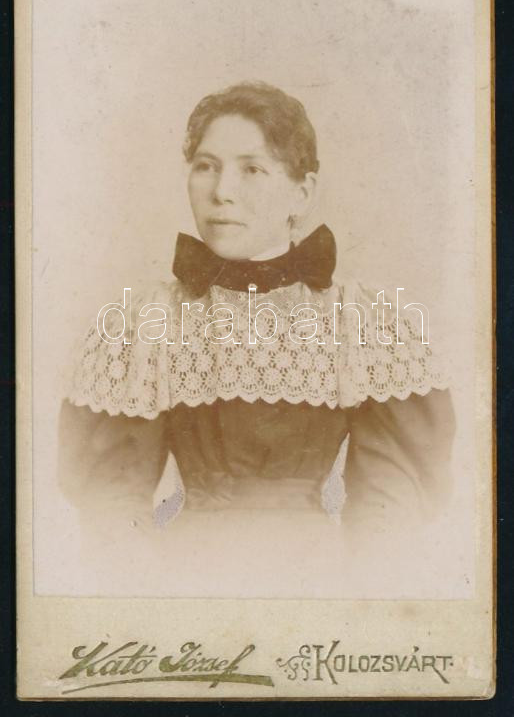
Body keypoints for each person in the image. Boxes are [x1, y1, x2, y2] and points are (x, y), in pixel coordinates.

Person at [59, 82, 455, 581]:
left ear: (301, 193)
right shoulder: (143, 322)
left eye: (251, 169)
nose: (222, 192)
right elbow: (111, 506)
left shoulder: (363, 320)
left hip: (322, 583)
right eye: (206, 166)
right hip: (186, 579)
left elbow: (390, 510)